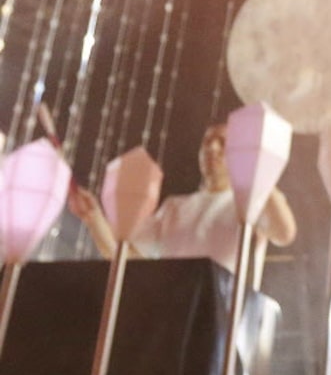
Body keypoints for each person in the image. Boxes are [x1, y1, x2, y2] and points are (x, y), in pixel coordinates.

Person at [68, 122, 297, 286]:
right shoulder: (174, 207)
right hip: (172, 310)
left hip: (226, 319)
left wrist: (259, 169)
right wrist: (94, 218)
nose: (212, 148)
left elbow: (285, 232)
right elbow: (127, 259)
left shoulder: (255, 201)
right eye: (207, 142)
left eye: (223, 143)